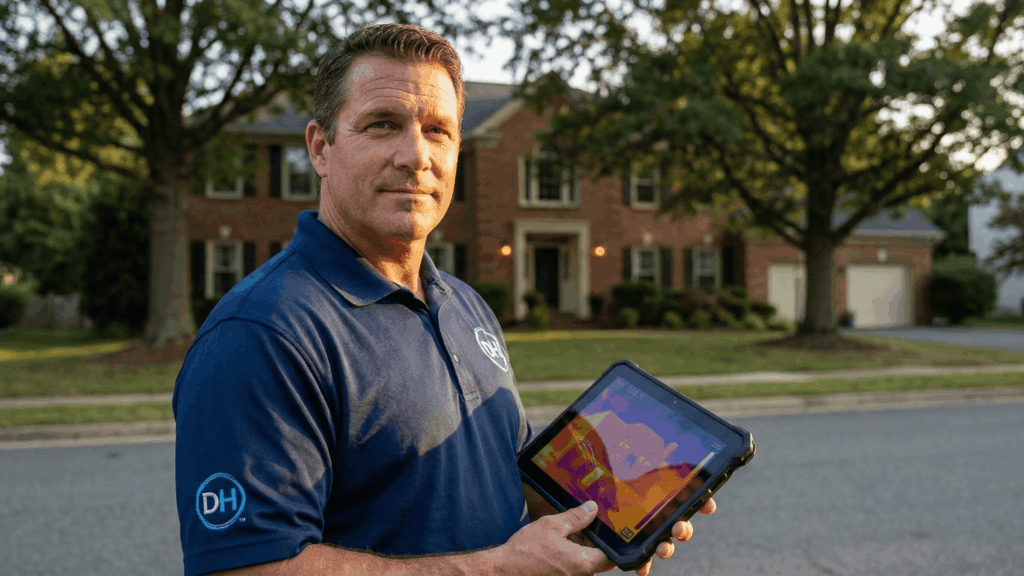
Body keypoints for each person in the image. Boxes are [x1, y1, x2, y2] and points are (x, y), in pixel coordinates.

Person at [173, 23, 715, 576]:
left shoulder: (463, 304)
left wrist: (608, 519)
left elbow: (507, 479)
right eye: (383, 125)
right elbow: (245, 567)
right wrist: (503, 569)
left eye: (438, 130)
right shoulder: (261, 334)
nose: (415, 155)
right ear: (321, 147)